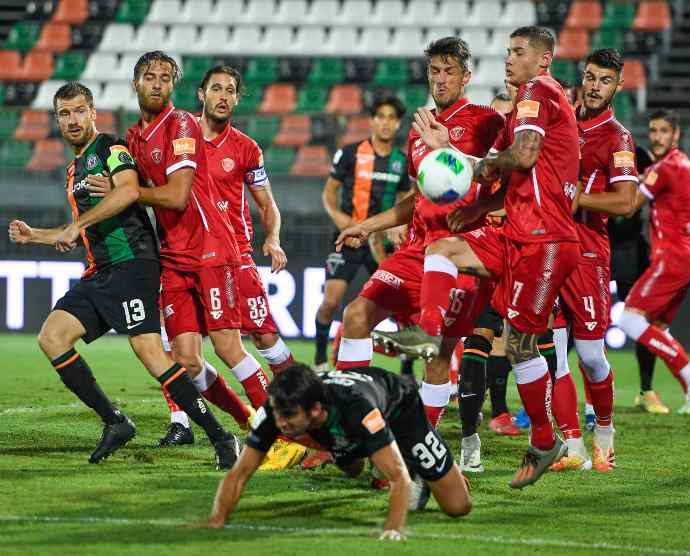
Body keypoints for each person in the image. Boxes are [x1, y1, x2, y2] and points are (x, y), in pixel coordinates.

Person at [377, 27, 582, 488]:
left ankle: (547, 440)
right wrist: (475, 207)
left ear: (543, 59)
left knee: (526, 345)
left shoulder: (536, 91)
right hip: (517, 233)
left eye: (518, 52)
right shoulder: (531, 101)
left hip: (546, 240)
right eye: (507, 51)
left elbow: (523, 157)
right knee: (443, 248)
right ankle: (427, 334)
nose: (508, 59)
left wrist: (450, 153)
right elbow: (513, 182)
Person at [7, 81, 239, 467]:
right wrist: (38, 237)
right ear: (57, 121)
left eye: (80, 111)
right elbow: (83, 232)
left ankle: (221, 436)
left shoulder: (111, 148)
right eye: (64, 114)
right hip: (100, 272)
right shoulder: (73, 169)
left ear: (94, 113)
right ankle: (115, 421)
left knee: (150, 354)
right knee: (52, 336)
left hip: (133, 265)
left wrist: (72, 225)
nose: (73, 120)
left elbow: (129, 190)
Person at [334, 37, 505, 442]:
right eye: (434, 71)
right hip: (415, 250)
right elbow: (418, 196)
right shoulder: (420, 126)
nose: (440, 79)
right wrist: (368, 225)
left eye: (449, 71)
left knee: (440, 353)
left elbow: (506, 176)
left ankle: (420, 441)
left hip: (458, 254)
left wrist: (479, 199)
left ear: (467, 76)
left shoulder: (486, 122)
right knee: (356, 317)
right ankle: (350, 427)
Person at [154, 65, 301, 455]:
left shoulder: (246, 148)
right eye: (215, 88)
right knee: (184, 355)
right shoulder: (177, 140)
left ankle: (295, 412)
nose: (222, 95)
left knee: (262, 338)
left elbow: (267, 204)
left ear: (237, 99)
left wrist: (273, 239)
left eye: (230, 90)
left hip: (231, 258)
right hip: (181, 258)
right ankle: (199, 421)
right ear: (200, 94)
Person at [203, 364, 472, 539]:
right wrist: (217, 519)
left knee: (458, 506)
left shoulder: (357, 409)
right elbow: (240, 472)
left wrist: (392, 529)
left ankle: (423, 465)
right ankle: (376, 448)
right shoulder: (280, 410)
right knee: (353, 469)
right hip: (343, 421)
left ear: (316, 410)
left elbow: (398, 477)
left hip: (401, 407)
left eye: (288, 416)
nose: (281, 422)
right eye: (277, 413)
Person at [547, 49, 640, 472]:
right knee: (556, 355)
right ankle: (573, 446)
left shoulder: (616, 137)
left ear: (617, 85)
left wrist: (576, 198)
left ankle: (605, 435)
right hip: (549, 248)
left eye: (605, 80)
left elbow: (626, 202)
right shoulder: (562, 119)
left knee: (590, 355)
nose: (595, 85)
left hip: (587, 255)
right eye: (590, 77)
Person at [618, 109, 690, 415]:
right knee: (658, 327)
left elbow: (629, 206)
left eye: (663, 131)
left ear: (676, 134)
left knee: (629, 319)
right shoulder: (682, 163)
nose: (656, 137)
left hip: (669, 259)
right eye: (653, 131)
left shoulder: (666, 168)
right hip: (687, 257)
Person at [313, 96, 412, 372]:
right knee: (331, 301)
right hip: (348, 239)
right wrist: (346, 223)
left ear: (397, 124)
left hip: (381, 243)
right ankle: (320, 360)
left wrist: (398, 225)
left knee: (399, 307)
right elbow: (329, 194)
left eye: (391, 117)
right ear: (372, 120)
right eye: (380, 116)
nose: (385, 122)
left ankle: (406, 371)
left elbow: (407, 203)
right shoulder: (350, 153)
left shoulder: (401, 162)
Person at [608, 145, 665, 414]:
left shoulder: (638, 154)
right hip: (595, 241)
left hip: (631, 250)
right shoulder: (588, 147)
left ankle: (647, 390)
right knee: (571, 321)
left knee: (641, 320)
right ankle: (546, 393)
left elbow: (659, 183)